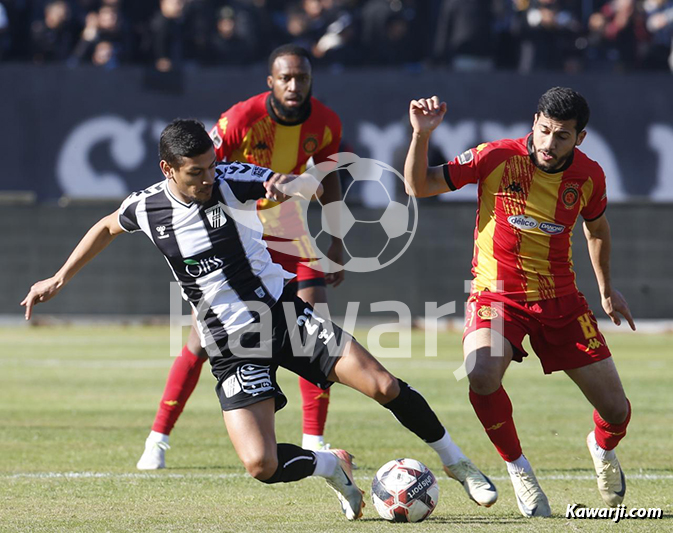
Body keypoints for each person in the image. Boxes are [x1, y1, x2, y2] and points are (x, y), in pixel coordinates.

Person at [22, 119, 498, 520]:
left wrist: (287, 185)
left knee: (383, 385)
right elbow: (106, 225)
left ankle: (457, 462)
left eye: (211, 165)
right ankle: (331, 465)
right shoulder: (147, 207)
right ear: (167, 169)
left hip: (282, 315)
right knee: (260, 465)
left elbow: (302, 185)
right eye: (196, 173)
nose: (208, 177)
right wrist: (59, 277)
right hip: (230, 347)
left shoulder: (230, 179)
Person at [403, 87, 635, 517]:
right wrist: (421, 135)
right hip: (497, 294)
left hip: (562, 300)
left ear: (579, 139)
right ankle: (518, 469)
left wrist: (606, 288)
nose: (549, 143)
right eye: (544, 130)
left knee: (617, 411)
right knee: (481, 372)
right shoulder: (494, 156)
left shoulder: (589, 175)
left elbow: (597, 228)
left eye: (562, 136)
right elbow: (418, 186)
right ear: (534, 122)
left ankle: (602, 449)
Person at [136, 45, 344, 471]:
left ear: (310, 81)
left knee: (316, 327)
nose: (293, 85)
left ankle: (315, 438)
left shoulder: (326, 123)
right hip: (235, 230)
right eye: (285, 78)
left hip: (289, 229)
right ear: (270, 81)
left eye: (301, 78)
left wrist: (337, 240)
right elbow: (199, 170)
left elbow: (330, 180)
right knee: (201, 339)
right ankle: (158, 437)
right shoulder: (241, 119)